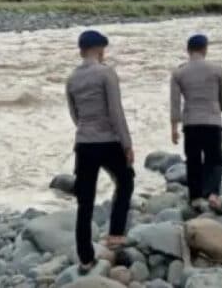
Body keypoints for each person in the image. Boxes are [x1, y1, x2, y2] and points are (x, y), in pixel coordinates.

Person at [66, 30, 135, 272]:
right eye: (103, 49)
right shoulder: (106, 73)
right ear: (97, 49)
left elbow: (74, 114)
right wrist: (126, 144)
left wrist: (86, 131)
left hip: (84, 143)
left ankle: (85, 258)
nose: (104, 54)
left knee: (85, 201)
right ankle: (115, 233)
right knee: (126, 179)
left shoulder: (72, 78)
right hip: (107, 141)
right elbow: (116, 112)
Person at [170, 34, 222, 212]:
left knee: (193, 160)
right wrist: (221, 108)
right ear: (205, 49)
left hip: (191, 122)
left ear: (188, 51)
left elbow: (174, 103)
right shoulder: (217, 69)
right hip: (212, 120)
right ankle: (212, 194)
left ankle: (195, 198)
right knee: (216, 159)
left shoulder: (179, 72)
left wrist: (174, 128)